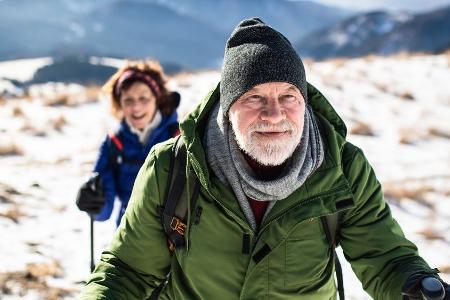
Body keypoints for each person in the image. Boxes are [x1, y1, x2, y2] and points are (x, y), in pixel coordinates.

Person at [79, 18, 449, 299]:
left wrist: (418, 285)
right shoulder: (174, 166)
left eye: (288, 96)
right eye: (254, 97)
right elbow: (128, 270)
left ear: (303, 101)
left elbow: (385, 256)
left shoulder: (342, 168)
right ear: (227, 108)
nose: (274, 115)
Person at [76, 60, 180, 226]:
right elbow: (105, 211)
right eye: (128, 101)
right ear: (120, 104)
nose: (136, 107)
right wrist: (94, 202)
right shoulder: (114, 144)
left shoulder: (179, 138)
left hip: (175, 238)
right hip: (129, 235)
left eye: (143, 98)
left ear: (157, 99)